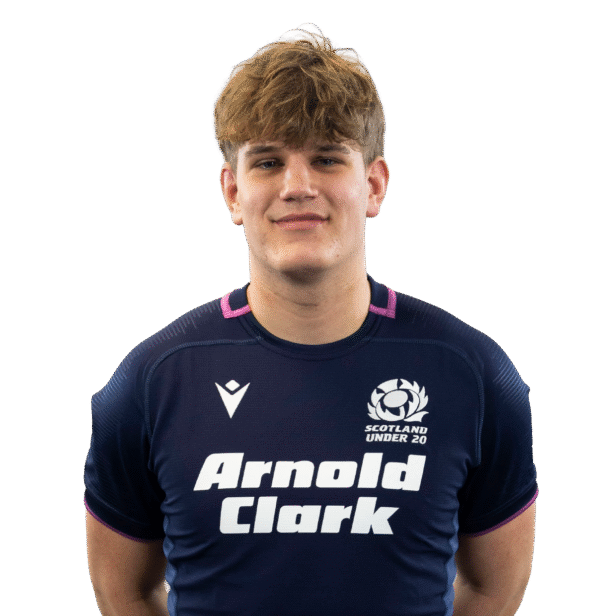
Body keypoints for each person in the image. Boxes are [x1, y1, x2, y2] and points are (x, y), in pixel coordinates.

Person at [84, 23, 538, 616]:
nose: (297, 187)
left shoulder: (474, 374)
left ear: (373, 185)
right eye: (268, 162)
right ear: (232, 192)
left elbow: (495, 588)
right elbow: (123, 591)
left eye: (326, 158)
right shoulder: (150, 381)